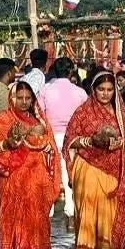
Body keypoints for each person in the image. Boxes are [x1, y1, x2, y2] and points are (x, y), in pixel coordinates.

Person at [63, 70, 125, 249]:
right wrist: (91, 141)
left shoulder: (122, 116)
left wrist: (119, 143)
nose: (105, 93)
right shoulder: (83, 112)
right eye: (101, 89)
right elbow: (70, 141)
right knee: (88, 217)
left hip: (112, 176)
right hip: (87, 170)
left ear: (115, 90)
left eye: (109, 90)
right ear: (93, 90)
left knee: (109, 219)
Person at [0, 81, 60, 249]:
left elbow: (51, 150)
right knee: (15, 221)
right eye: (20, 98)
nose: (24, 102)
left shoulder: (39, 121)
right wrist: (8, 143)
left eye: (28, 98)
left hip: (37, 183)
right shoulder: (2, 120)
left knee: (36, 222)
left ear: (33, 99)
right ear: (12, 98)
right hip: (14, 182)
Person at [38, 57, 89, 224]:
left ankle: (49, 213)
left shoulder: (45, 90)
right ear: (70, 71)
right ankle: (70, 214)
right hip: (73, 139)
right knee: (70, 176)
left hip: (51, 137)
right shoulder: (79, 92)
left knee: (51, 175)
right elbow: (86, 117)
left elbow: (39, 114)